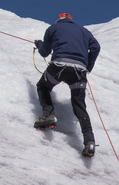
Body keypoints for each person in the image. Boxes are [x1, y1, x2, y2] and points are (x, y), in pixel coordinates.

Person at [34, 13, 101, 157]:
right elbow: (96, 47)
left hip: (59, 66)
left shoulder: (53, 28)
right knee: (79, 104)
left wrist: (39, 45)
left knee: (43, 87)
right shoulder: (84, 31)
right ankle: (89, 142)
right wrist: (87, 66)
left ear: (58, 20)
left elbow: (45, 52)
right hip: (79, 71)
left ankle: (49, 115)